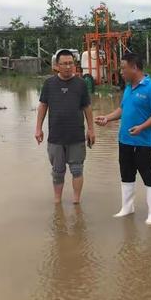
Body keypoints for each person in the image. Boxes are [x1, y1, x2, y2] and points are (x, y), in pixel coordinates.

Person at [95, 52, 151, 225]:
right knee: (126, 174)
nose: (121, 71)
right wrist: (107, 118)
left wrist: (142, 127)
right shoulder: (128, 87)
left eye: (123, 68)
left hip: (144, 142)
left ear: (134, 67)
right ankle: (127, 208)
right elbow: (122, 109)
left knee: (148, 175)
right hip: (125, 140)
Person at [35, 49, 95, 204]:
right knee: (57, 172)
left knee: (77, 170)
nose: (68, 67)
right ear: (57, 66)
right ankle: (57, 202)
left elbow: (87, 107)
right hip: (55, 137)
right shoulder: (49, 84)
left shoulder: (81, 84)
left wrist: (91, 129)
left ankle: (76, 202)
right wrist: (38, 128)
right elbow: (43, 106)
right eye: (64, 64)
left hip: (76, 136)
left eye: (71, 63)